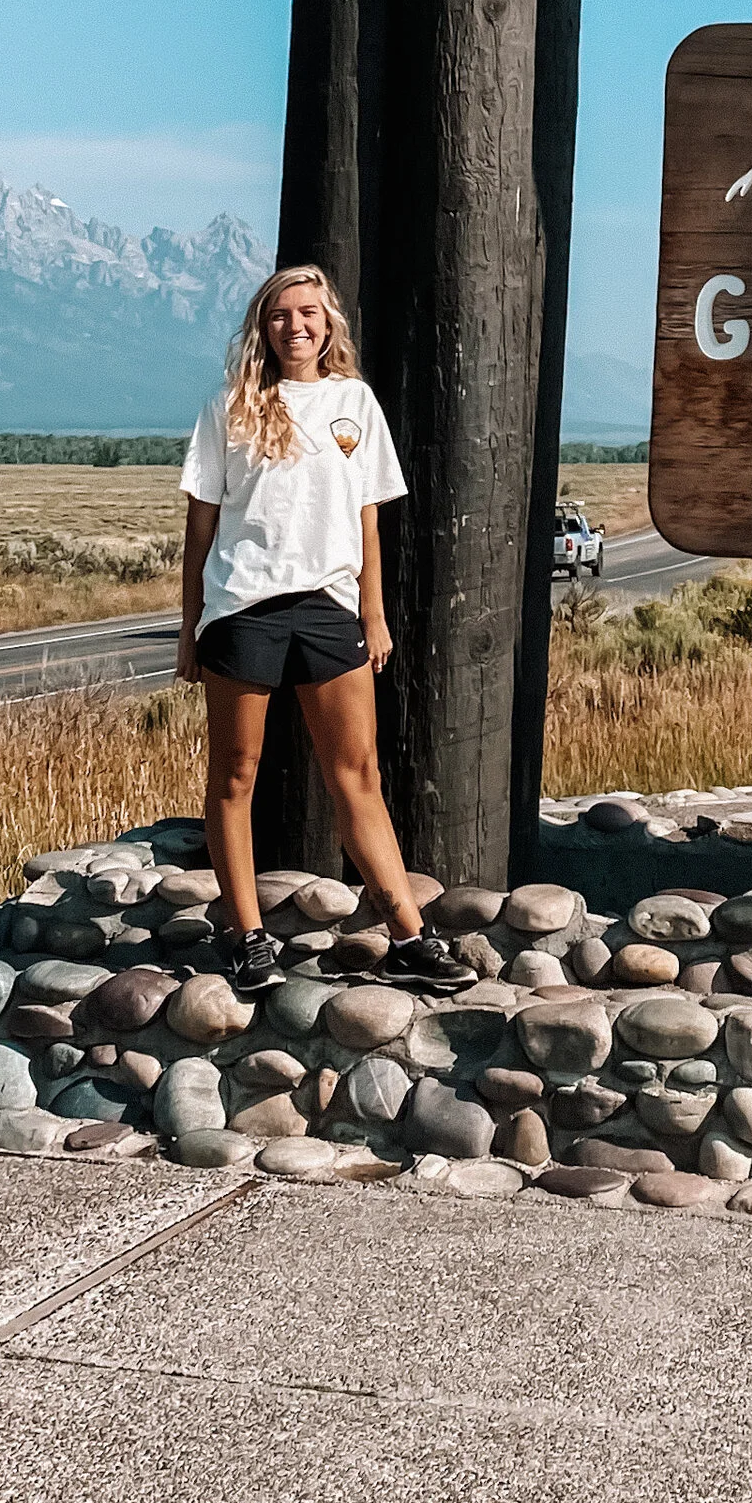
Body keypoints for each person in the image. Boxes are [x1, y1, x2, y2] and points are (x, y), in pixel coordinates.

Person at [179, 262, 471, 1000]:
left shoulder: (354, 403)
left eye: (308, 312)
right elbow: (201, 525)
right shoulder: (231, 407)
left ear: (329, 321)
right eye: (280, 315)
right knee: (235, 775)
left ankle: (408, 933)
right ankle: (246, 935)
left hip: (330, 609)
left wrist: (372, 613)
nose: (295, 326)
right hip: (243, 607)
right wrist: (190, 629)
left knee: (358, 775)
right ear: (263, 327)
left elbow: (369, 515)